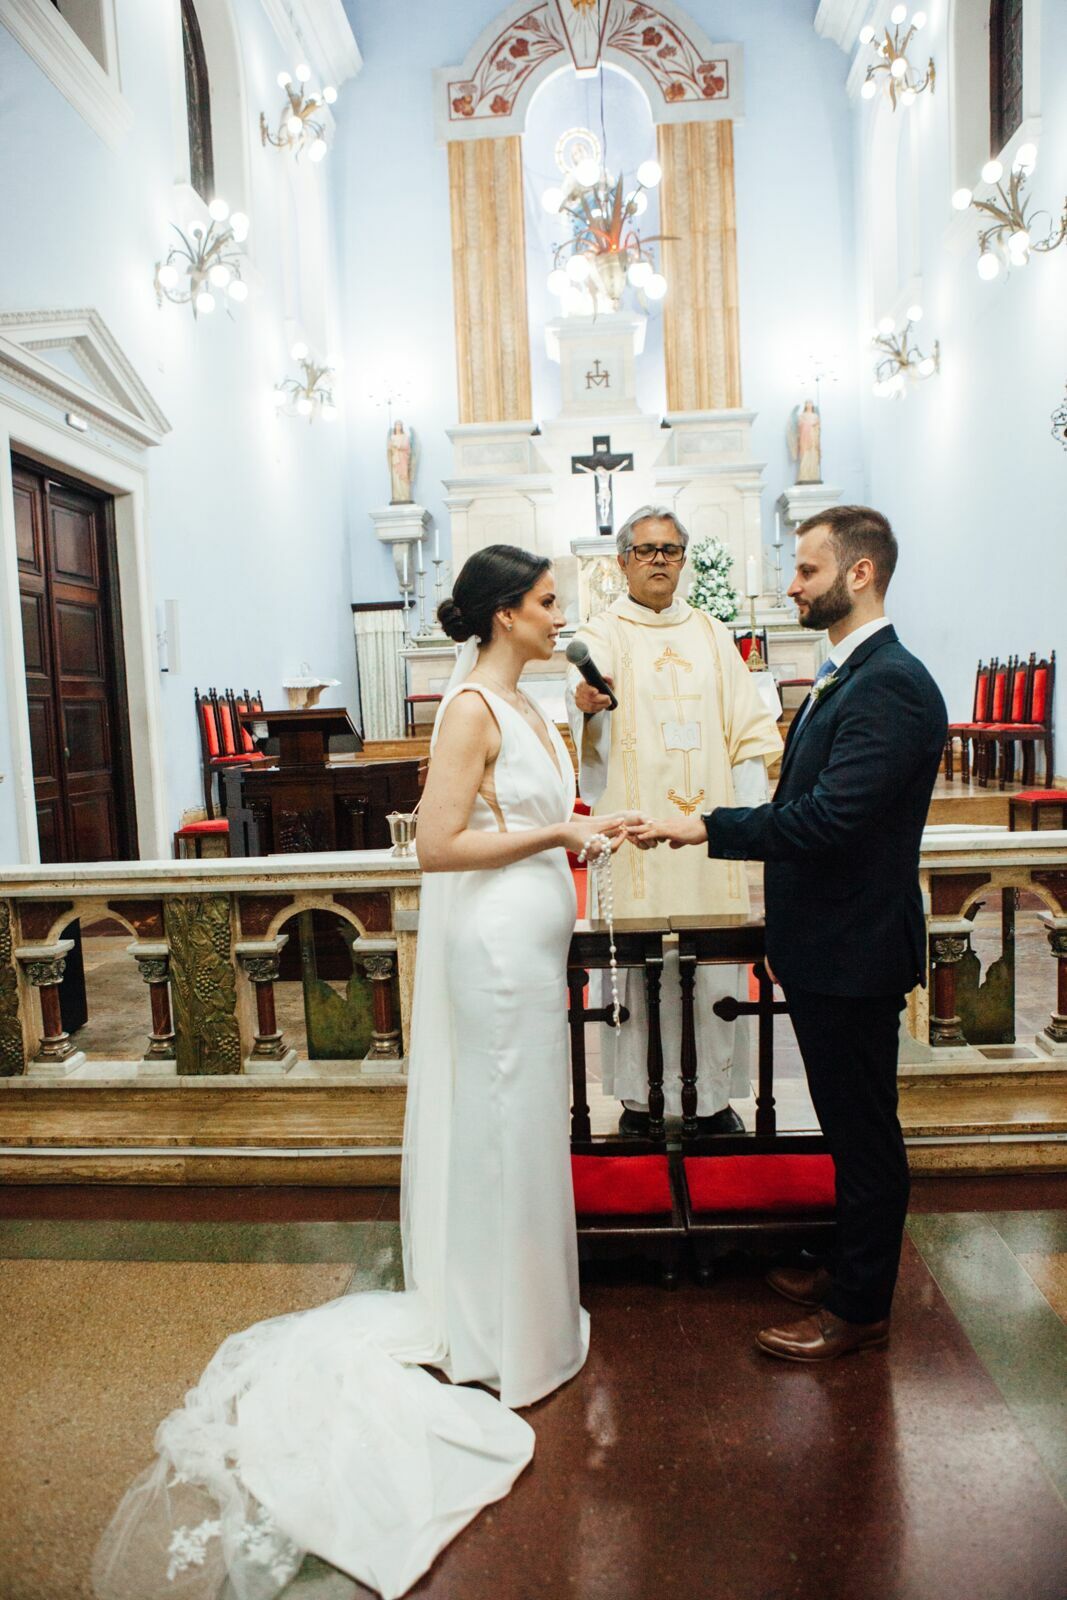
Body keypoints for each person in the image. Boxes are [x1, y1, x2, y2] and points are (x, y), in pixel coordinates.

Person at [93, 546, 625, 1600]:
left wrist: (581, 813)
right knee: (497, 1124)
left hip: (528, 938)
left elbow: (539, 805)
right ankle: (490, 1331)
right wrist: (553, 835)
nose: (560, 614)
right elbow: (434, 844)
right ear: (499, 615)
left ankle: (526, 1317)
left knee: (524, 1132)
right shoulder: (469, 705)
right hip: (487, 947)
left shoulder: (535, 704)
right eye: (546, 601)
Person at [632, 506, 947, 1360]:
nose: (791, 584)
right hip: (826, 944)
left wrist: (708, 827)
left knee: (864, 1132)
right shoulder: (851, 672)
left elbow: (826, 821)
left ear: (858, 574)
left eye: (806, 570)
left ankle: (859, 1308)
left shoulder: (891, 683)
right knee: (847, 1125)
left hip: (854, 949)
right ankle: (844, 1261)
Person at [566, 506, 783, 1136]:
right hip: (633, 839)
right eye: (646, 550)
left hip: (705, 840)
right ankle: (640, 1100)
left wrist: (747, 826)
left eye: (671, 549)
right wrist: (586, 706)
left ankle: (711, 1101)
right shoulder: (603, 631)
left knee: (712, 966)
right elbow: (586, 701)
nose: (660, 559)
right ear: (623, 562)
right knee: (636, 974)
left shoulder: (714, 634)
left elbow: (746, 729)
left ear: (683, 559)